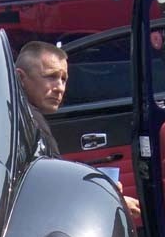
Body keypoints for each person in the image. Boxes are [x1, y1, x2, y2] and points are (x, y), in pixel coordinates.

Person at [15, 41, 141, 218]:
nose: (59, 88)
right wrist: (109, 200)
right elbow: (50, 189)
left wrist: (103, 188)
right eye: (50, 77)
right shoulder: (28, 120)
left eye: (63, 79)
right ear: (21, 78)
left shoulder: (24, 115)